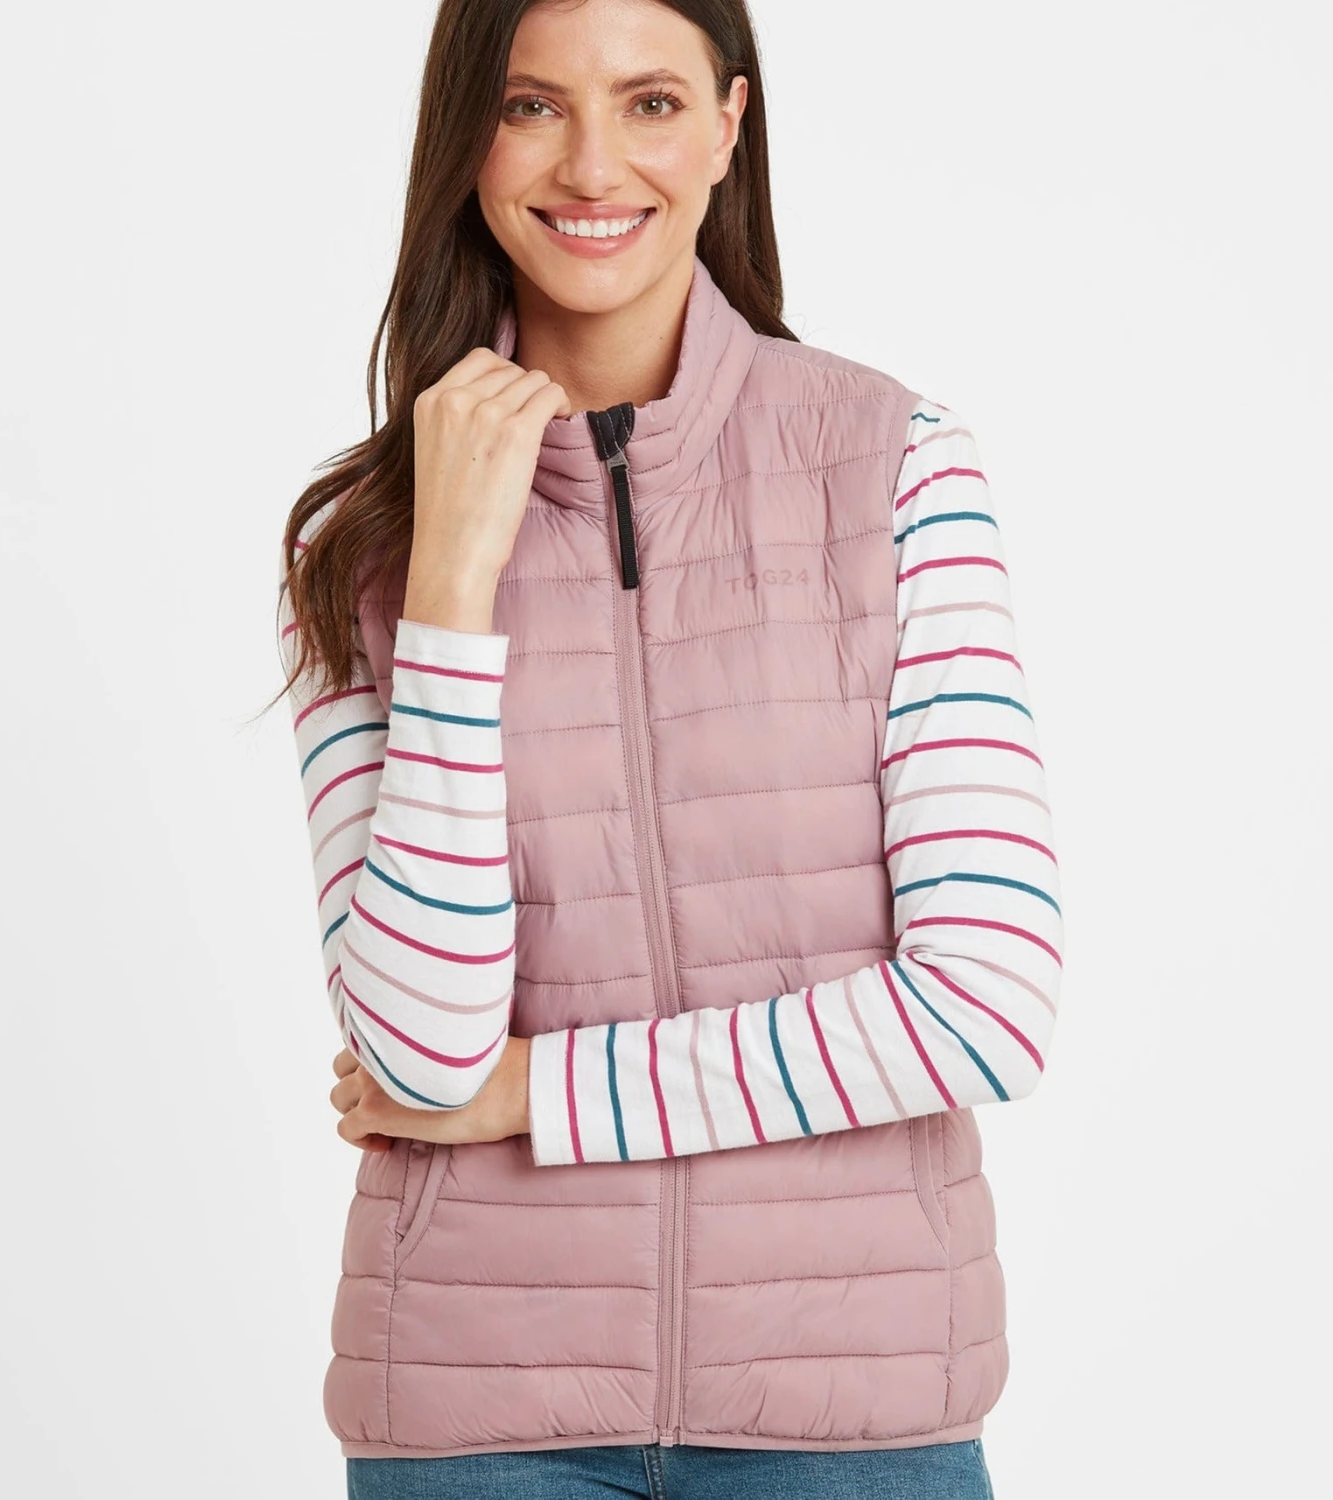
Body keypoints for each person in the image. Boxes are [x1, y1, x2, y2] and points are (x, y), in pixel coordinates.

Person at [273, 1, 1062, 1495]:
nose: (591, 165)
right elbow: (422, 1052)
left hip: (852, 1412)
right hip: (476, 1415)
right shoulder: (360, 546)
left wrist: (537, 1098)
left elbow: (985, 1005)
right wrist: (451, 587)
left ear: (727, 128)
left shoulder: (896, 469)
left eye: (648, 102)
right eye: (530, 106)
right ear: (466, 137)